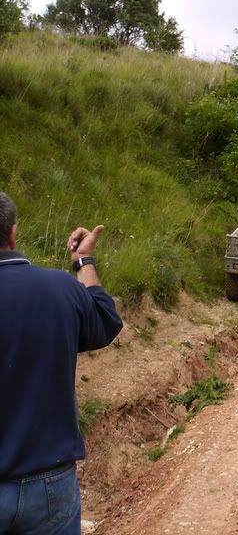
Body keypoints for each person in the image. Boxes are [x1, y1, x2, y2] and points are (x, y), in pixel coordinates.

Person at [0, 192, 123, 534]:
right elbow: (106, 322)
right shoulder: (60, 288)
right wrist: (83, 261)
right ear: (12, 233)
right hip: (49, 484)